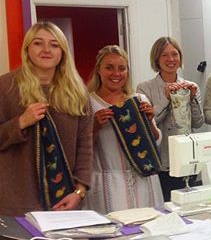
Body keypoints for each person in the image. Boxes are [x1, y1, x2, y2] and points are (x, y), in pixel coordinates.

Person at [0, 22, 92, 216]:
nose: (46, 50)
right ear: (27, 49)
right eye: (38, 43)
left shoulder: (77, 92)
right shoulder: (5, 87)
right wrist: (20, 122)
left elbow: (85, 145)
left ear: (63, 52)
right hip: (15, 202)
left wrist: (79, 191)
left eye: (54, 44)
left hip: (65, 201)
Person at [85, 45, 163, 214]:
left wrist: (149, 121)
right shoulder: (88, 104)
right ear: (99, 70)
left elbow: (155, 141)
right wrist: (95, 126)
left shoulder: (139, 100)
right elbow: (80, 149)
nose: (116, 73)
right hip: (108, 185)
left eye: (122, 68)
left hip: (144, 181)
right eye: (109, 68)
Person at [136, 37, 204, 201]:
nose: (171, 59)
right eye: (164, 55)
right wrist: (167, 98)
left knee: (190, 207)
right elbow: (148, 125)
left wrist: (193, 98)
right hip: (162, 162)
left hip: (188, 158)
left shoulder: (190, 86)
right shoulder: (144, 88)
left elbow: (198, 122)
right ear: (156, 59)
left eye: (175, 54)